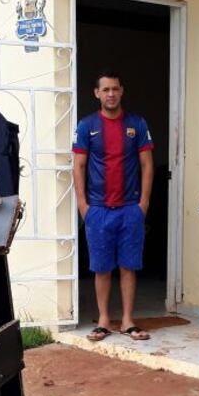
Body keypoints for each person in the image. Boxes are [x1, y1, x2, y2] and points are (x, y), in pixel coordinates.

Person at [72, 70, 154, 342]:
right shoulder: (86, 126)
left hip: (130, 208)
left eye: (115, 89)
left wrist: (143, 203)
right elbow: (79, 166)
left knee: (129, 266)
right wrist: (83, 205)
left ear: (121, 91)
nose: (111, 94)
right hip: (98, 209)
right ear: (97, 93)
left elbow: (147, 165)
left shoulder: (137, 124)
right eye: (105, 89)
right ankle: (104, 320)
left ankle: (128, 321)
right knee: (102, 267)